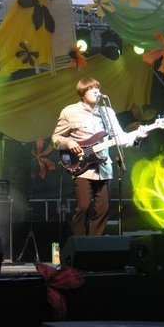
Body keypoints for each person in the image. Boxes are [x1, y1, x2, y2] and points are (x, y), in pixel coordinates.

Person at [52, 77, 147, 236]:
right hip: (82, 167)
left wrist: (138, 136)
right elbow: (55, 139)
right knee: (83, 206)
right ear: (83, 93)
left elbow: (120, 138)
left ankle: (94, 243)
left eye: (97, 88)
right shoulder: (69, 112)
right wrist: (68, 142)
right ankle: (78, 242)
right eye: (91, 89)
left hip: (104, 167)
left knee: (103, 209)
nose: (96, 91)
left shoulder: (107, 112)